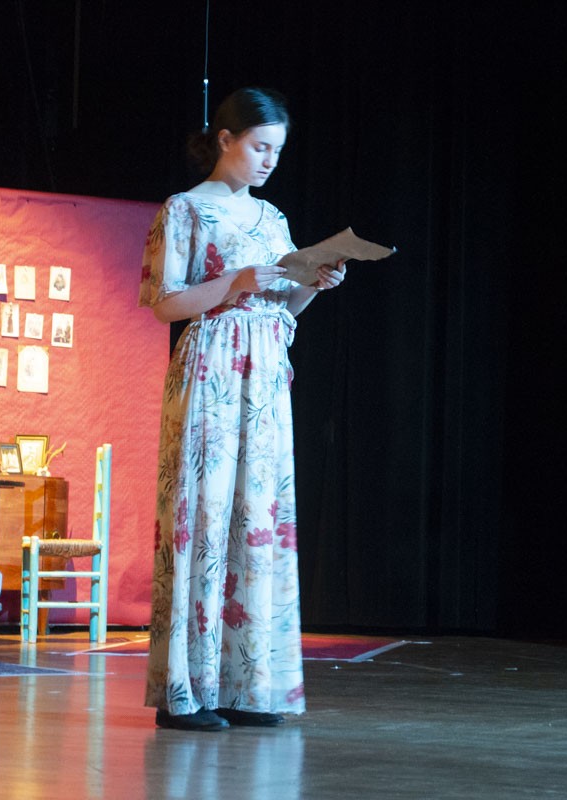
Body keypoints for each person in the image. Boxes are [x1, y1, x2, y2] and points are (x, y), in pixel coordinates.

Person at [139, 87, 346, 731]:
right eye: (259, 147)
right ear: (225, 139)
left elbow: (282, 308)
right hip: (212, 368)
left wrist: (313, 285)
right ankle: (187, 691)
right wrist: (236, 282)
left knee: (257, 518)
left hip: (266, 374)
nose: (268, 161)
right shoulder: (185, 210)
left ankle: (246, 686)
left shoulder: (272, 218)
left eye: (277, 151)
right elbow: (164, 303)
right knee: (204, 515)